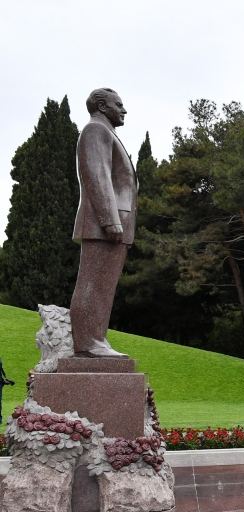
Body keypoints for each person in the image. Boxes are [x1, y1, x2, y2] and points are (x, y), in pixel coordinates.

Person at [69, 88, 137, 358]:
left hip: (114, 224)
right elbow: (97, 175)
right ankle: (88, 342)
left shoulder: (107, 133)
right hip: (105, 225)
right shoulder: (95, 131)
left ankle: (97, 339)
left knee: (103, 286)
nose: (124, 110)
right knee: (93, 283)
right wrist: (111, 221)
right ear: (101, 105)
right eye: (118, 105)